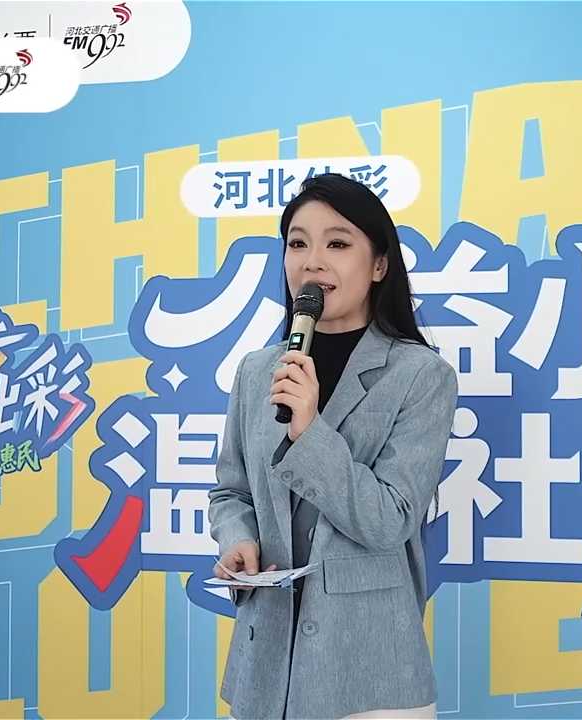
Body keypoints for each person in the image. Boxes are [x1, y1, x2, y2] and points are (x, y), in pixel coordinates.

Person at [208, 173, 457, 719]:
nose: (313, 262)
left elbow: (390, 519)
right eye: (298, 244)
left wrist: (310, 431)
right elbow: (230, 492)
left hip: (371, 672)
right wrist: (238, 539)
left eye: (337, 244)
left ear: (379, 265)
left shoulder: (420, 376)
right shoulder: (257, 370)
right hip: (266, 669)